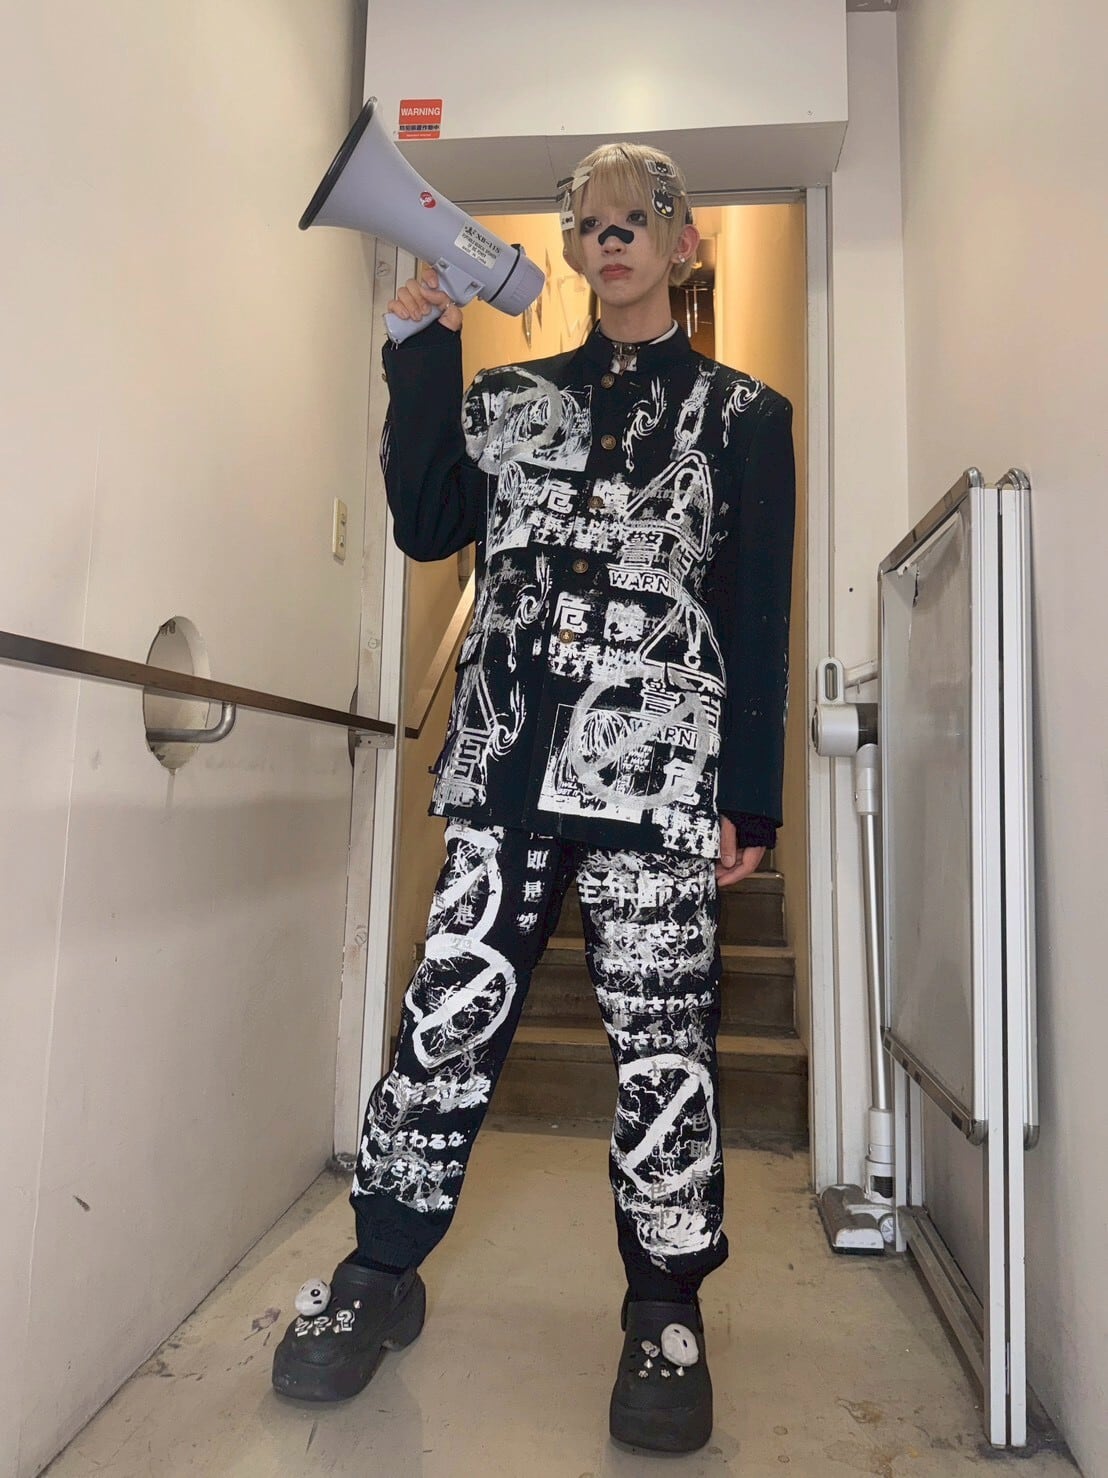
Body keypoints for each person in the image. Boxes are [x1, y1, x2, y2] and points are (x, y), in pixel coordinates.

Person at [272, 141, 795, 1455]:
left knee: (665, 1049)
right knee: (444, 1026)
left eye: (638, 219)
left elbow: (755, 613)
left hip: (661, 786)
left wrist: (750, 800)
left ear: (680, 243)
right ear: (568, 248)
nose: (612, 238)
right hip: (505, 780)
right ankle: (380, 1271)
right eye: (590, 223)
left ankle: (664, 1306)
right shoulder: (511, 401)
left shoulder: (745, 417)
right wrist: (419, 348)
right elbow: (426, 519)